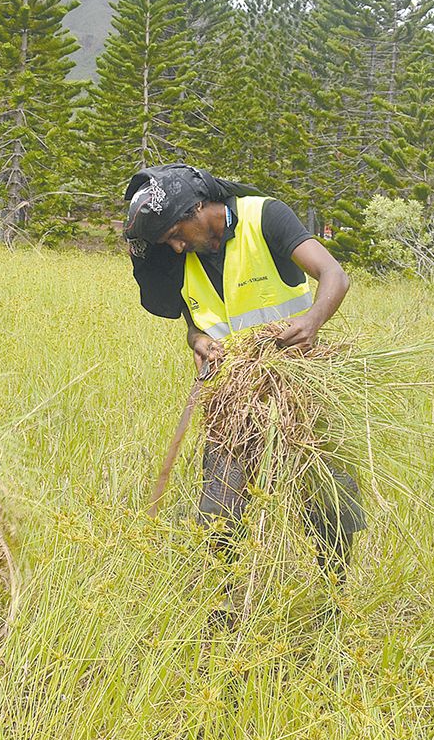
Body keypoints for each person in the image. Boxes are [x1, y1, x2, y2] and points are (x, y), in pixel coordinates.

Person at [123, 164, 364, 581]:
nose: (176, 248)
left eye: (177, 235)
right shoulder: (178, 257)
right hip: (232, 397)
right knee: (219, 509)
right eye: (168, 242)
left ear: (198, 208)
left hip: (299, 388)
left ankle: (334, 592)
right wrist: (196, 340)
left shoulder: (264, 217)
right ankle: (221, 605)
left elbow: (334, 276)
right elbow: (195, 320)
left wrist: (312, 321)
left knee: (328, 502)